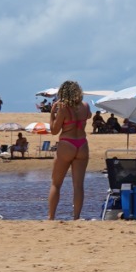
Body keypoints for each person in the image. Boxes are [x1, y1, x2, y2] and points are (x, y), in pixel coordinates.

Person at [47, 80, 91, 220]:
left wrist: (53, 112)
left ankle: (51, 217)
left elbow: (54, 130)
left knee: (56, 183)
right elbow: (89, 115)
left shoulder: (64, 109)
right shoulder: (85, 106)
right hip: (82, 144)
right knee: (78, 185)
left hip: (67, 143)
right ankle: (77, 217)